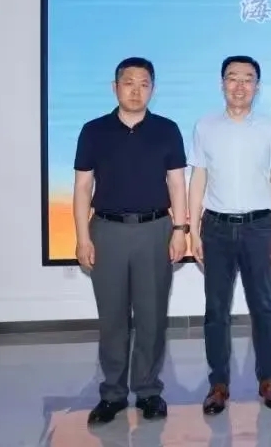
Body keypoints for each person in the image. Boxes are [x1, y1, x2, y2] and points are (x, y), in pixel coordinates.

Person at [72, 57, 188, 425]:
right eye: (128, 83)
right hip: (107, 231)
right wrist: (82, 237)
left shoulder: (167, 130)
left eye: (144, 84)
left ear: (153, 89)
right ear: (115, 87)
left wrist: (180, 230)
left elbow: (176, 184)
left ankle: (149, 391)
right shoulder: (94, 131)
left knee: (152, 317)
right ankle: (112, 394)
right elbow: (82, 187)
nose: (136, 91)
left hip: (155, 230)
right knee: (112, 318)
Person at [188, 56, 271, 415]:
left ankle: (268, 380)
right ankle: (218, 384)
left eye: (248, 79)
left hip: (258, 227)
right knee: (216, 310)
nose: (240, 86)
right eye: (233, 78)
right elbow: (198, 179)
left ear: (257, 87)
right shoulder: (205, 126)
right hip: (215, 228)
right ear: (222, 84)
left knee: (262, 308)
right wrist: (192, 230)